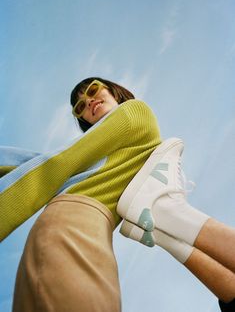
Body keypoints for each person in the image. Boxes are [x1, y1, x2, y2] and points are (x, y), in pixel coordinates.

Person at [0, 77, 234, 312]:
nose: (88, 101)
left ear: (113, 90)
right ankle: (164, 217)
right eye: (80, 107)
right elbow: (47, 165)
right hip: (79, 219)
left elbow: (53, 165)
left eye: (92, 90)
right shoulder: (89, 158)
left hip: (80, 220)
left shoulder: (133, 111)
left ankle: (164, 221)